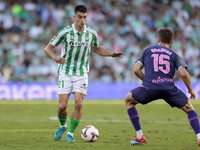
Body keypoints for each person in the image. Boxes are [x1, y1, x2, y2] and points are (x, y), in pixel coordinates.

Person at [44, 5, 124, 142]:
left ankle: (70, 133)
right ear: (74, 17)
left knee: (79, 104)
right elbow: (47, 48)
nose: (82, 20)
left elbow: (96, 49)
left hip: (81, 73)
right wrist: (55, 57)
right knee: (62, 106)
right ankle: (63, 126)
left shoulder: (91, 33)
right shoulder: (65, 32)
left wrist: (111, 54)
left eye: (85, 17)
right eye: (80, 17)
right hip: (65, 72)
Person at [124, 28, 200, 146]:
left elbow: (135, 70)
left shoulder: (147, 50)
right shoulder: (174, 55)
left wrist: (148, 81)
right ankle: (199, 137)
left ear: (158, 39)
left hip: (149, 88)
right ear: (172, 42)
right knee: (189, 108)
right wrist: (190, 90)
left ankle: (140, 137)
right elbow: (184, 74)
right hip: (168, 88)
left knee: (128, 101)